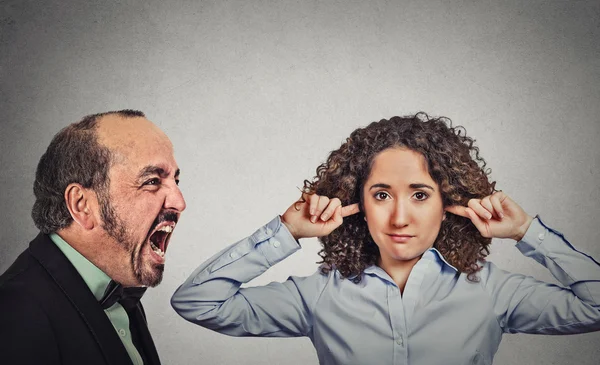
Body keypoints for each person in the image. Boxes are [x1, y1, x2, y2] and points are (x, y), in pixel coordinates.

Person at [171, 113, 600, 364]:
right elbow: (197, 302)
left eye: (419, 194)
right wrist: (286, 232)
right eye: (381, 195)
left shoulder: (491, 290)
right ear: (356, 201)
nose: (399, 216)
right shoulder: (321, 295)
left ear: (447, 201)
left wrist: (529, 232)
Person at [0, 110, 186, 365]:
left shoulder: (118, 289)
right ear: (82, 205)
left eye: (176, 180)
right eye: (152, 181)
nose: (179, 202)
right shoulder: (14, 313)